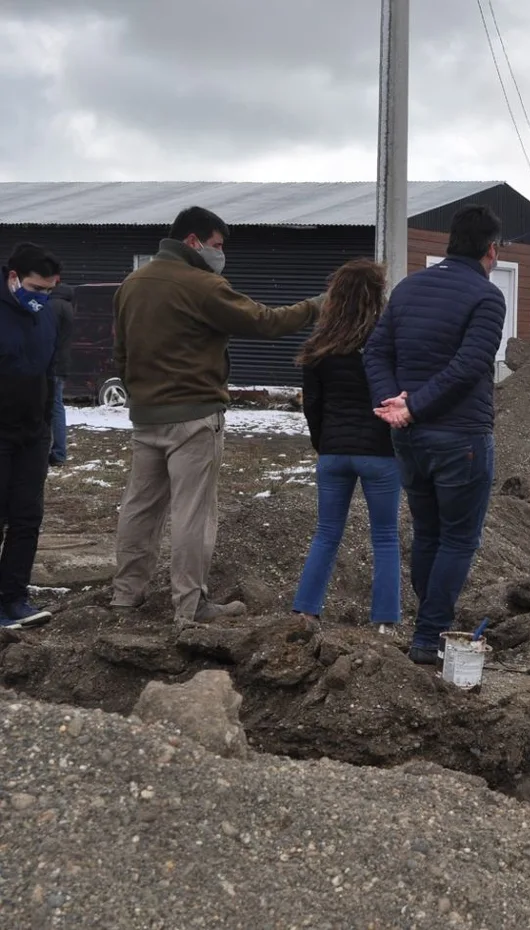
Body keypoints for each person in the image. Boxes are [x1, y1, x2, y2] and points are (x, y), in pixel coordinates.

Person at [110, 206, 324, 626]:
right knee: (192, 511)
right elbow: (264, 321)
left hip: (147, 415)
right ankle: (190, 606)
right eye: (218, 245)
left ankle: (125, 597)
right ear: (194, 241)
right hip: (194, 416)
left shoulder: (131, 284)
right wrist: (316, 306)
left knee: (139, 509)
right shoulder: (201, 285)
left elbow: (121, 351)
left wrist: (139, 394)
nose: (220, 253)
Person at [363, 204, 506, 666]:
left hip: (410, 438)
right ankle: (428, 636)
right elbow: (470, 366)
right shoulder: (486, 297)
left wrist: (395, 406)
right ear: (491, 250)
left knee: (427, 532)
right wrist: (411, 406)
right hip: (460, 438)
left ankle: (429, 621)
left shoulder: (408, 288)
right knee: (459, 539)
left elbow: (376, 352)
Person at [291, 259, 402, 633]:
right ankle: (385, 621)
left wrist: (323, 443)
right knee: (385, 536)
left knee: (326, 532)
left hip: (334, 451)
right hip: (380, 453)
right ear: (377, 295)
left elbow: (313, 405)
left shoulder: (319, 347)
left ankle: (305, 611)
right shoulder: (388, 344)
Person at [0, 244, 63, 629]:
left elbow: (50, 373)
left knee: (27, 518)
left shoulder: (47, 317)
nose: (42, 298)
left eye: (49, 291)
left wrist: (48, 430)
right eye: (36, 289)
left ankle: (15, 598)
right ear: (13, 278)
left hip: (32, 435)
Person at [48, 284, 74, 467]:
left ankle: (57, 453)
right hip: (62, 364)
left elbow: (46, 336)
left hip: (51, 364)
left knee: (52, 407)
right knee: (57, 406)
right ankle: (59, 452)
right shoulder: (68, 307)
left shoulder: (52, 306)